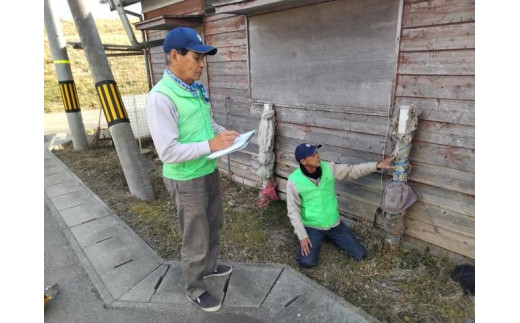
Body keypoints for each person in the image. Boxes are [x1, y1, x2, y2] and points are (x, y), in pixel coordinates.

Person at [145, 27, 239, 312]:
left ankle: (209, 267)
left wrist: (226, 135)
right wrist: (211, 145)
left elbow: (205, 125)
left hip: (207, 170)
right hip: (185, 179)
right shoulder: (161, 98)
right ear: (174, 55)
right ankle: (195, 287)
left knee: (213, 224)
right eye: (196, 58)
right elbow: (168, 152)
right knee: (195, 236)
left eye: (203, 59)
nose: (201, 65)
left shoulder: (194, 89)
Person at [286, 143, 395, 268]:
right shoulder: (294, 181)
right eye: (312, 155)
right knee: (307, 262)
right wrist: (302, 236)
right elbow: (293, 211)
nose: (317, 156)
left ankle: (329, 236)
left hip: (334, 224)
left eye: (316, 152)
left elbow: (351, 171)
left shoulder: (328, 168)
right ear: (303, 161)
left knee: (360, 254)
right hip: (313, 226)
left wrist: (376, 166)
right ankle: (314, 240)